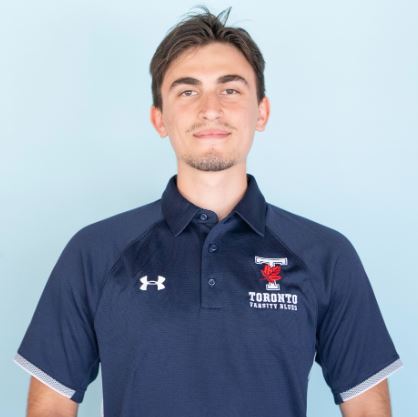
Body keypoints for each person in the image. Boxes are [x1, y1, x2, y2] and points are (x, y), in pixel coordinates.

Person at [14, 6, 402, 417]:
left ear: (262, 112)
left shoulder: (326, 255)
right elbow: (51, 408)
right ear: (159, 119)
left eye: (230, 89)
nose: (210, 108)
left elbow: (367, 410)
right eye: (187, 91)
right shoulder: (96, 251)